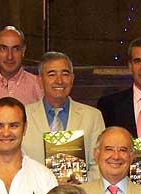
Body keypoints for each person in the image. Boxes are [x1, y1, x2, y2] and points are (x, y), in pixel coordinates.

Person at [21, 52, 106, 182]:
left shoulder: (93, 116)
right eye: (52, 74)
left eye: (65, 74)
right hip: (34, 192)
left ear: (72, 79)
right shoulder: (23, 116)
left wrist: (80, 184)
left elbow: (99, 164)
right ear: (40, 80)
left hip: (80, 192)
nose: (59, 81)